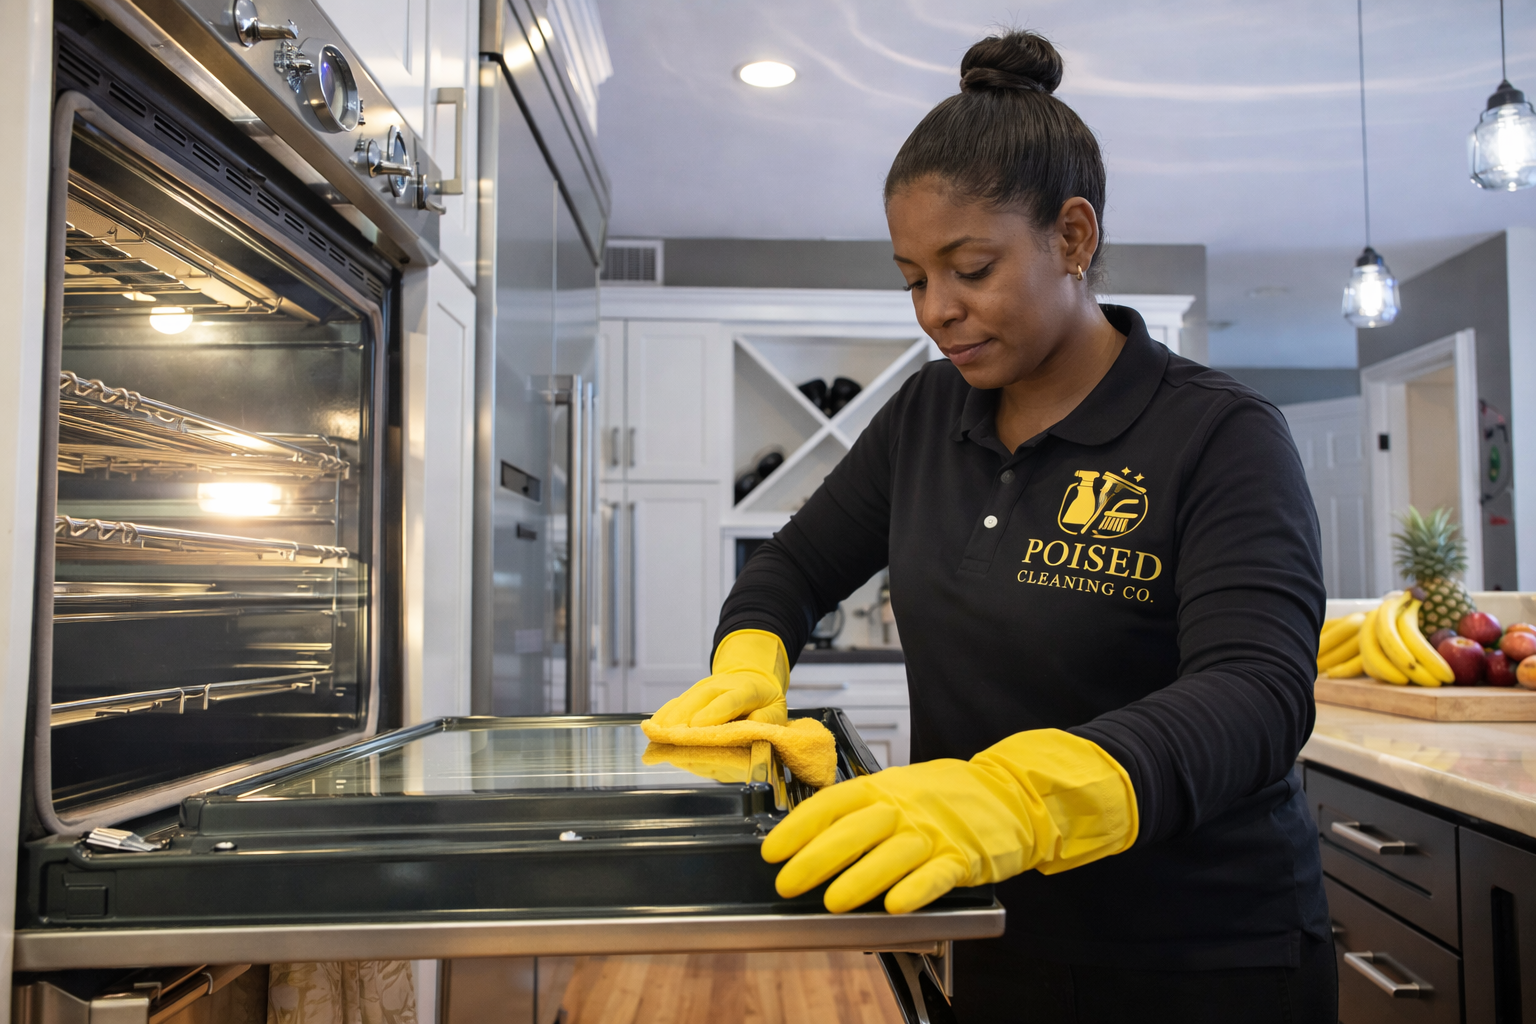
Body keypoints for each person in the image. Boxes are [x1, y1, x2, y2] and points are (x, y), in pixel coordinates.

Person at [651, 29, 1334, 1024]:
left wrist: (1018, 798)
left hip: (1200, 953)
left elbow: (1257, 695)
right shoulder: (927, 415)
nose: (937, 310)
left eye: (970, 268)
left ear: (1074, 237)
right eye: (913, 279)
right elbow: (793, 566)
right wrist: (749, 663)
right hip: (981, 925)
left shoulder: (1219, 434)